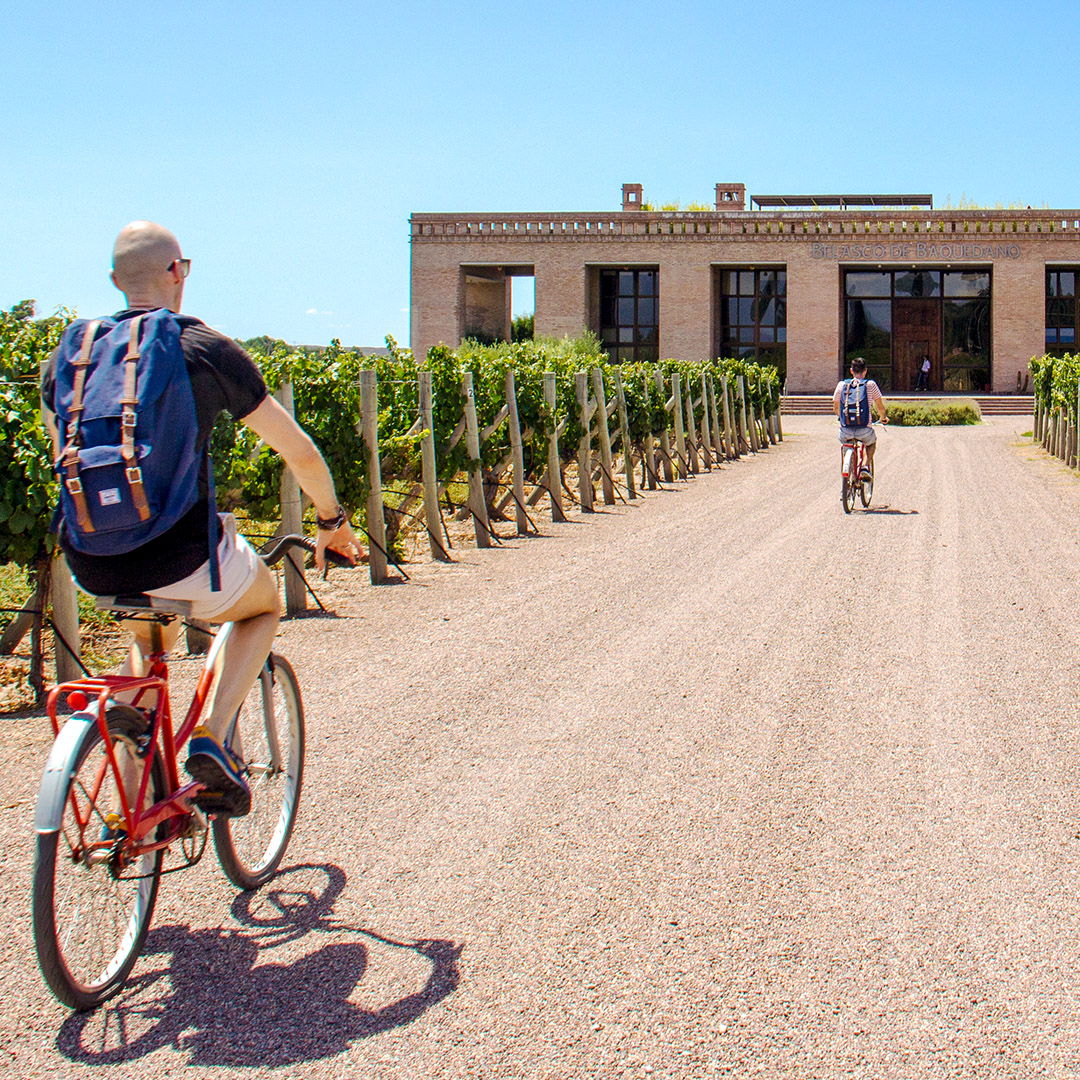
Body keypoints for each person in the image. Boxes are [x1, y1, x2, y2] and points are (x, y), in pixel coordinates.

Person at [41, 221, 360, 815]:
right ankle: (212, 737)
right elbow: (298, 451)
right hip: (181, 554)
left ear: (114, 280)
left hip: (91, 560)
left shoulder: (72, 354)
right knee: (260, 605)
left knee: (148, 638)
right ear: (179, 272)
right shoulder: (202, 348)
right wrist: (330, 519)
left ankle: (134, 804)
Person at [833, 357, 888, 480]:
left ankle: (846, 480)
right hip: (864, 428)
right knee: (871, 443)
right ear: (865, 371)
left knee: (846, 444)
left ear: (851, 371)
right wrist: (883, 417)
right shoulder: (870, 385)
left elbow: (836, 407)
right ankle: (864, 466)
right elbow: (880, 407)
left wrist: (841, 418)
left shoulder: (842, 385)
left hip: (845, 429)